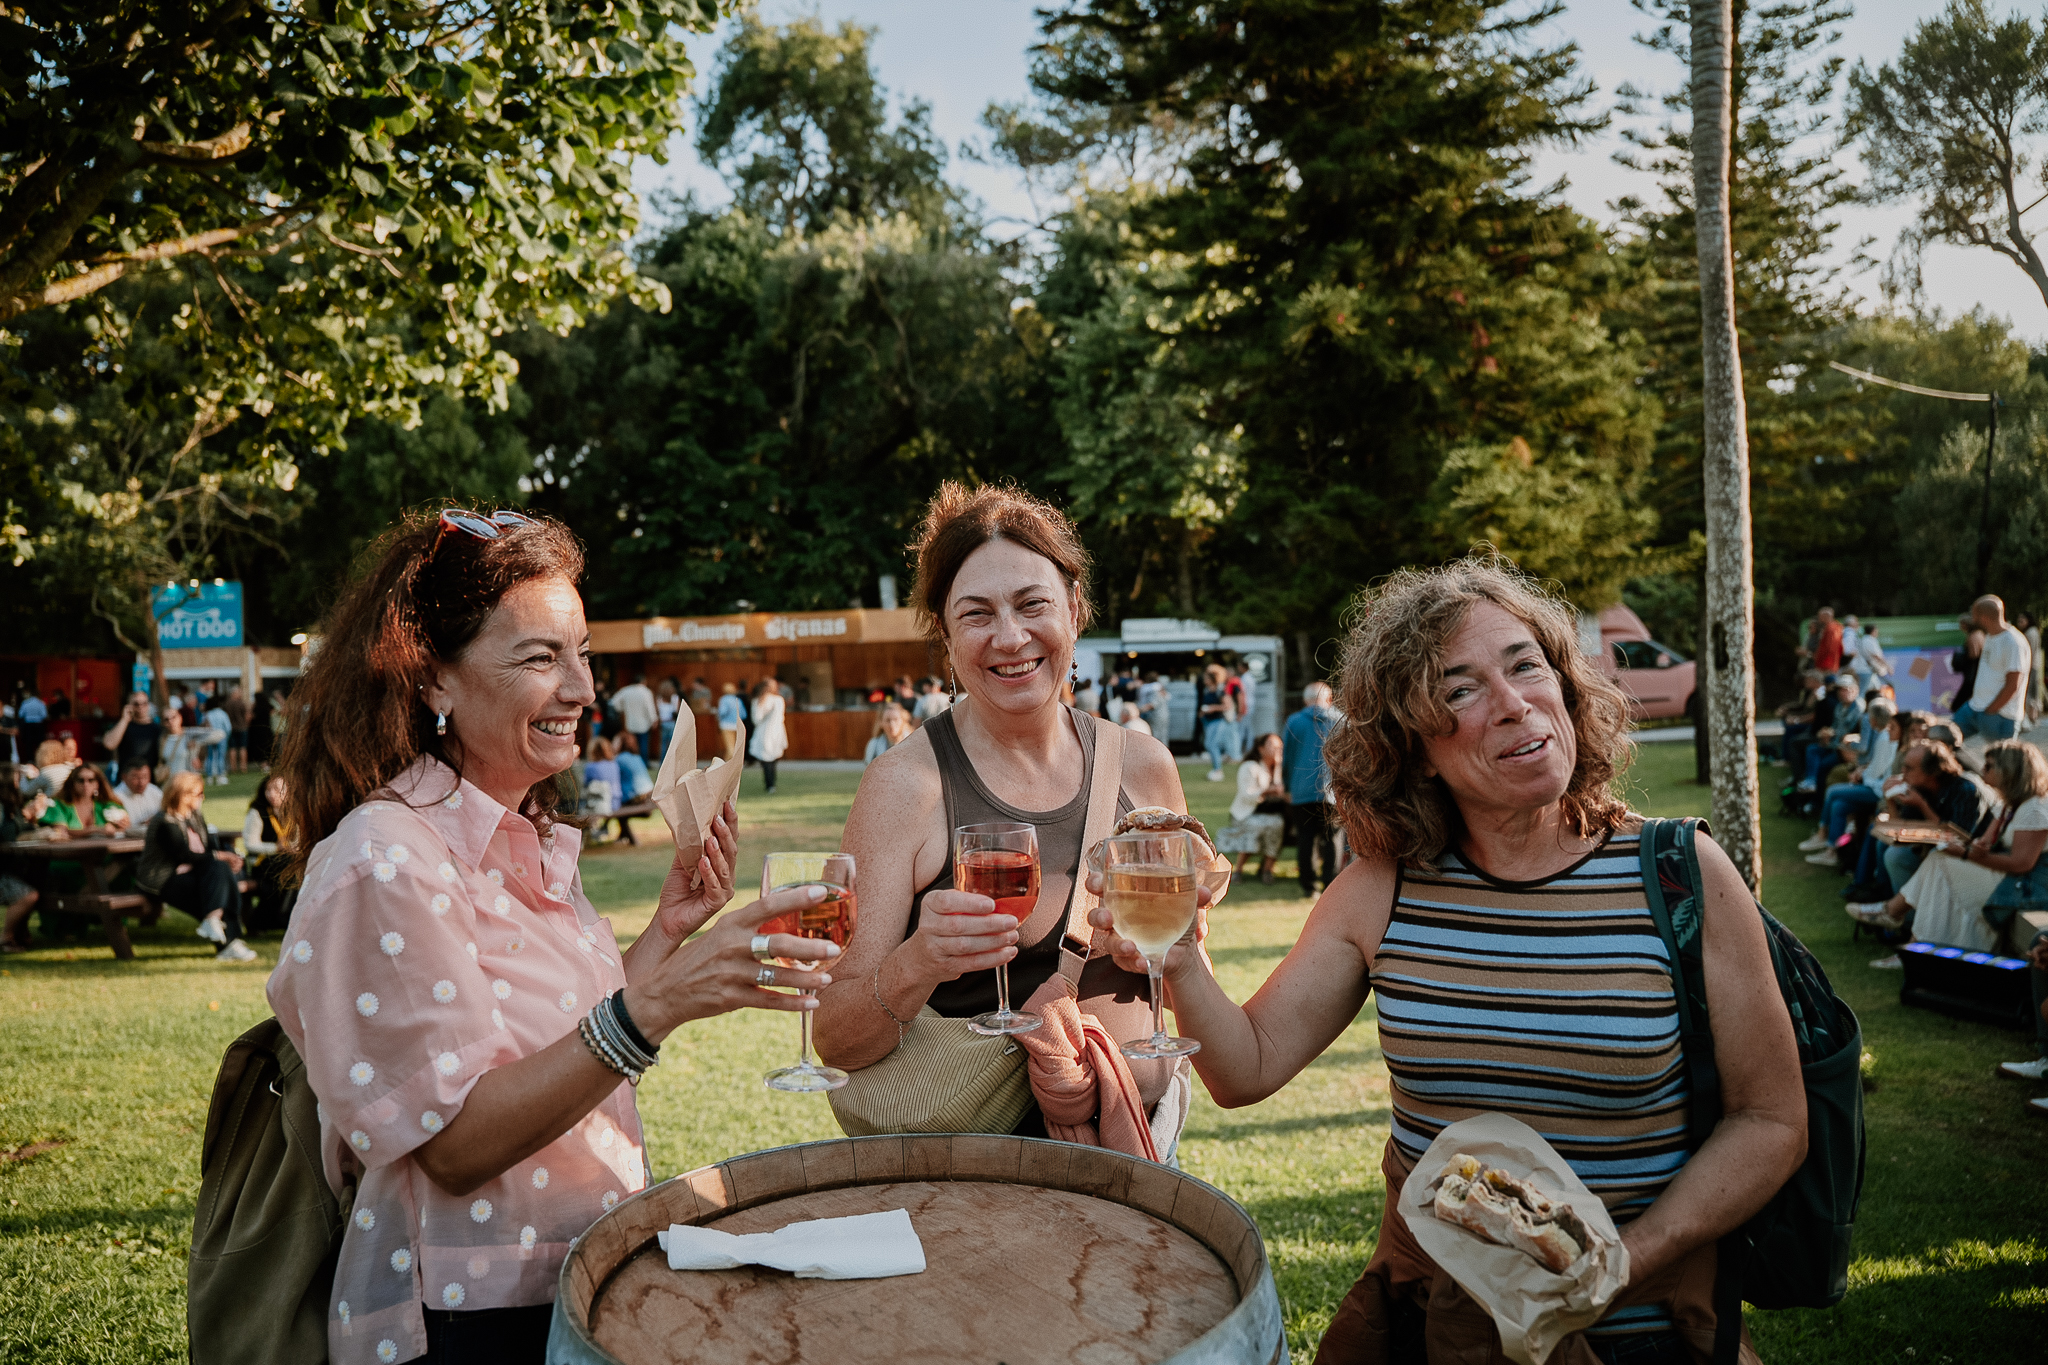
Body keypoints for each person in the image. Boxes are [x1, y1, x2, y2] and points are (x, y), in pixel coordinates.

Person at [1089, 555, 1805, 1361]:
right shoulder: (1381, 890)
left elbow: (1772, 1119)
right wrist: (1180, 956)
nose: (1513, 703)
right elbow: (1245, 1066)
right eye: (1460, 690)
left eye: (1526, 665)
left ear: (1566, 684)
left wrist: (1620, 1261)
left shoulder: (1680, 875)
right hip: (1441, 1335)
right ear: (1417, 747)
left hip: (1644, 1334)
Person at [265, 506, 823, 1365]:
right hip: (467, 1318)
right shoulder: (387, 859)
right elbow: (453, 1147)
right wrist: (656, 1008)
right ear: (434, 680)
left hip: (573, 1274)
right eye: (540, 658)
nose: (582, 689)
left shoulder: (519, 833)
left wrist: (667, 930)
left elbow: (562, 1036)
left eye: (582, 653)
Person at [819, 482, 1215, 1151]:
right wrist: (920, 961)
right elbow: (835, 1038)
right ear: (946, 635)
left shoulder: (1146, 767)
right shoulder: (905, 785)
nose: (1010, 637)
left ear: (1074, 608)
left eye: (1033, 604)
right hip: (978, 1176)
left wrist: (1182, 949)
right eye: (977, 614)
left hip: (1139, 1151)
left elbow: (1187, 982)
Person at [1849, 739, 2048, 956]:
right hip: (2009, 876)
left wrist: (1966, 853)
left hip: (2026, 886)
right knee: (1937, 864)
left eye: (1989, 765)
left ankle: (1898, 921)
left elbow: (2021, 864)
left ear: (2009, 771)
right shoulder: (2009, 804)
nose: (1982, 768)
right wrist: (1974, 848)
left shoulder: (2034, 809)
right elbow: (1984, 843)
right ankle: (1910, 939)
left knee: (1938, 864)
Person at [137, 771, 254, 961]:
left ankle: (216, 924)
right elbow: (182, 855)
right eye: (199, 794)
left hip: (191, 871)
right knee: (214, 885)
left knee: (222, 872)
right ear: (183, 795)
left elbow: (206, 849)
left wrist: (228, 858)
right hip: (161, 879)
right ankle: (228, 942)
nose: (203, 798)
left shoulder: (194, 816)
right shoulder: (164, 821)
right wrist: (218, 857)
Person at [1800, 700, 1898, 867]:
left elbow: (1877, 770)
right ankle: (1832, 851)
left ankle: (1822, 834)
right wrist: (1862, 772)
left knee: (1833, 791)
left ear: (1875, 719)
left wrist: (1860, 775)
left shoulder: (1884, 737)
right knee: (1839, 806)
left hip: (1877, 790)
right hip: (1874, 784)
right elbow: (1877, 765)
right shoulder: (1883, 735)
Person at [1283, 681, 1339, 898]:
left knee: (1305, 838)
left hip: (1301, 788)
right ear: (1329, 699)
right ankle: (1330, 884)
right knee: (1333, 839)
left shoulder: (1294, 721)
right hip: (1332, 791)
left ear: (1306, 700)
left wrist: (1287, 785)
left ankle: (1309, 885)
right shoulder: (1341, 720)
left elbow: (1287, 757)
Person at [1955, 595, 2030, 742]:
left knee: (1999, 756)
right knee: (1941, 737)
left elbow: (2013, 684)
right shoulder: (1990, 636)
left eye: (1974, 616)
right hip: (1975, 708)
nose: (1971, 619)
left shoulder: (2013, 642)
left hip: (2000, 715)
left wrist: (1991, 710)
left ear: (1984, 619)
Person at [1215, 732, 1287, 882]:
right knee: (1257, 826)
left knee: (1278, 824)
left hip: (1272, 813)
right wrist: (1267, 791)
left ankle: (1267, 870)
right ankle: (1239, 869)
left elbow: (1281, 791)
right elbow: (1246, 795)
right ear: (1261, 748)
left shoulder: (1279, 768)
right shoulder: (1249, 767)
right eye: (1272, 746)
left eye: (1280, 747)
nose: (1277, 750)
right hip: (1246, 813)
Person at [241, 773, 296, 931]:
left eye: (277, 790)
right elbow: (250, 844)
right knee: (291, 870)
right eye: (268, 790)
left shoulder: (294, 812)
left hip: (286, 861)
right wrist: (276, 848)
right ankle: (284, 917)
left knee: (295, 871)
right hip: (263, 863)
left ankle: (264, 921)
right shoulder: (257, 812)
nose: (272, 794)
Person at [1, 765, 48, 952]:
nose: (21, 785)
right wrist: (26, 815)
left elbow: (22, 830)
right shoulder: (2, 808)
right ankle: (6, 939)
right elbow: (6, 836)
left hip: (10, 867)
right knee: (29, 895)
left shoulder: (11, 807)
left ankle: (20, 932)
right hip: (3, 871)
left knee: (38, 879)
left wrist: (31, 819)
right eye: (18, 780)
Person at [41, 763, 130, 833]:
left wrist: (123, 824)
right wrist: (94, 830)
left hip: (103, 850)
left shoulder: (107, 805)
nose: (85, 784)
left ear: (98, 784)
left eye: (91, 780)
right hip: (70, 851)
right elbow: (61, 832)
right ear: (72, 783)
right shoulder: (59, 805)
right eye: (81, 780)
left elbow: (122, 829)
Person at [749, 678, 787, 794]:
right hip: (775, 731)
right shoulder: (778, 700)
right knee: (771, 758)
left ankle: (769, 783)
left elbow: (756, 719)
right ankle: (771, 783)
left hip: (765, 732)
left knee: (766, 759)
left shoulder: (759, 701)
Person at [1198, 663, 1233, 782]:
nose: (1204, 680)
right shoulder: (1207, 690)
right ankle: (1216, 769)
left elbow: (1227, 706)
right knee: (1209, 744)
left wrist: (1213, 708)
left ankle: (1218, 770)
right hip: (1208, 721)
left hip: (1218, 721)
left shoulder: (1220, 691)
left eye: (1206, 678)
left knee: (1212, 744)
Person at [581, 735, 622, 815]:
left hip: (602, 803)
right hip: (616, 802)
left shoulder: (591, 767)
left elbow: (585, 784)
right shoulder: (614, 764)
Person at [113, 761, 163, 825]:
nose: (141, 783)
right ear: (124, 777)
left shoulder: (153, 790)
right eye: (136, 778)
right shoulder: (116, 797)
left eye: (145, 777)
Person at [202, 694, 233, 785]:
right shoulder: (222, 713)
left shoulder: (207, 714)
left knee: (210, 756)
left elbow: (202, 725)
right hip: (221, 736)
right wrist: (227, 736)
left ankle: (210, 776)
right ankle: (220, 776)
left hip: (210, 737)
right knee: (221, 756)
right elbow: (228, 727)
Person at [613, 731, 652, 800]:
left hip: (636, 794)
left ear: (620, 743)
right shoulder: (637, 757)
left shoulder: (619, 759)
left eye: (615, 742)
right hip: (648, 790)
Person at [714, 681, 746, 764]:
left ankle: (727, 763)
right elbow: (743, 714)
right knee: (735, 745)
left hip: (726, 725)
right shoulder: (738, 700)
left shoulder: (723, 699)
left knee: (729, 745)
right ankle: (732, 762)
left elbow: (722, 712)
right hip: (736, 725)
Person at [223, 684, 251, 774]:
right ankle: (243, 767)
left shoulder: (227, 704)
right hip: (242, 728)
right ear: (235, 693)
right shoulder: (241, 703)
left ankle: (233, 767)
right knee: (243, 748)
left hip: (231, 728)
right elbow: (247, 716)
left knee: (232, 748)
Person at [17, 689, 47, 759]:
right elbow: (44, 715)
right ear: (38, 695)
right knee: (39, 743)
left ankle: (30, 759)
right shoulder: (41, 703)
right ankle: (39, 758)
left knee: (29, 743)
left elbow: (20, 714)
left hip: (28, 725)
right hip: (38, 725)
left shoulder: (25, 703)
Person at [655, 679, 679, 763]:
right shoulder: (675, 698)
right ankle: (672, 763)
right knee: (672, 745)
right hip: (671, 722)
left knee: (663, 745)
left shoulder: (659, 699)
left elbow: (657, 712)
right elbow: (676, 711)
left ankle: (662, 763)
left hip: (663, 723)